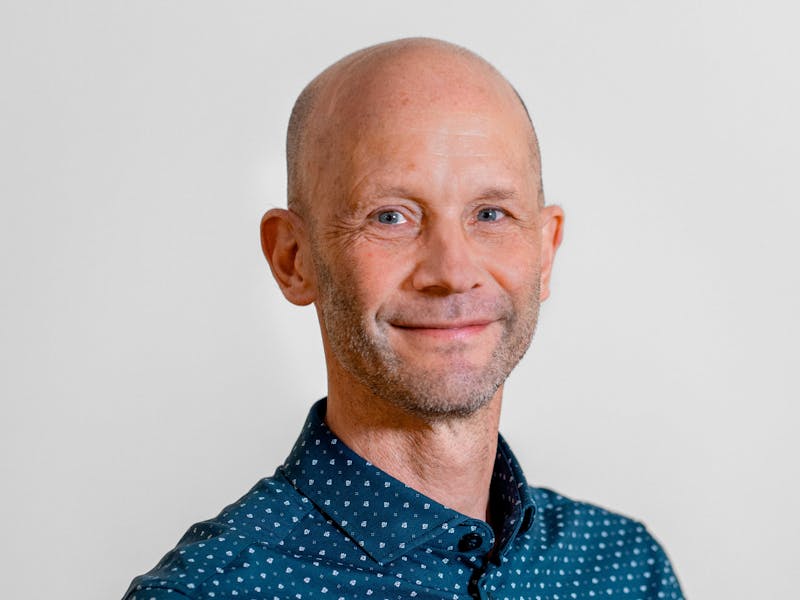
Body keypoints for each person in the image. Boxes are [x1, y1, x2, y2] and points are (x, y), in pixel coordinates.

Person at [123, 38, 684, 600]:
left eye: (490, 213)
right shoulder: (209, 591)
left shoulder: (624, 569)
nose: (453, 271)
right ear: (293, 259)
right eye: (390, 216)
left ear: (545, 251)